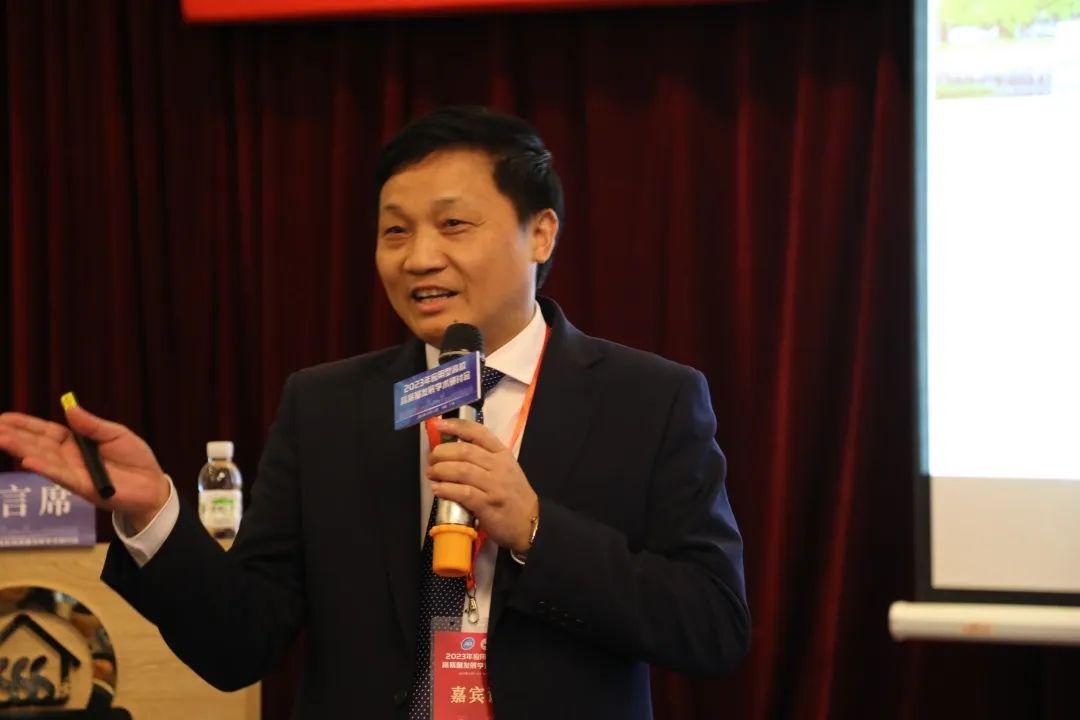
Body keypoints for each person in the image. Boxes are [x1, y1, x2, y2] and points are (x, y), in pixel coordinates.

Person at [0, 106, 750, 719]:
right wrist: (154, 514)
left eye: (453, 226)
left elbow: (713, 625)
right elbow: (238, 644)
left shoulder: (650, 399)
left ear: (541, 233)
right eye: (395, 231)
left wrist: (534, 529)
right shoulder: (325, 407)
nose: (418, 258)